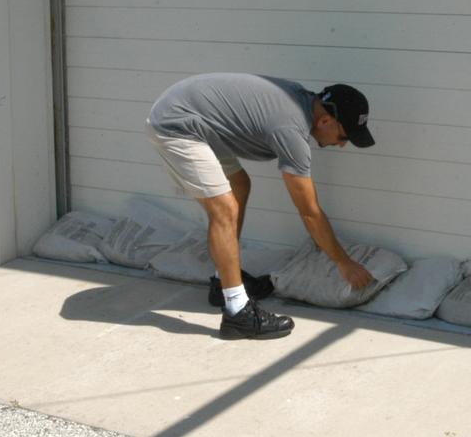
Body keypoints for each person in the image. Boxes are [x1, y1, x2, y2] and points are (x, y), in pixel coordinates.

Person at [145, 73, 377, 340]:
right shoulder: (291, 129)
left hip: (197, 120)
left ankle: (223, 282)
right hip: (176, 124)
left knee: (239, 185)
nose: (342, 144)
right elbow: (310, 212)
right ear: (325, 120)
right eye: (343, 135)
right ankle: (237, 312)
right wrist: (343, 263)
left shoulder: (299, 101)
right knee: (225, 209)